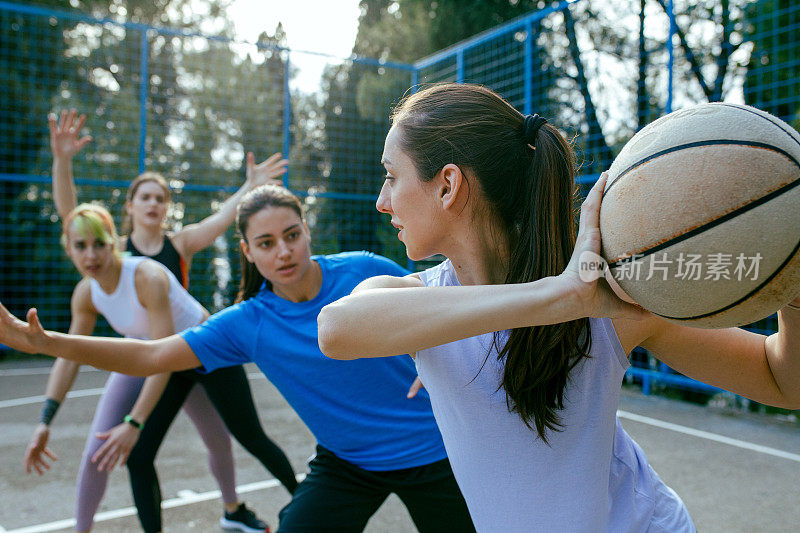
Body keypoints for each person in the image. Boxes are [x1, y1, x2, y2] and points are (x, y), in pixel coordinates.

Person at [315, 83, 800, 532]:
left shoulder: (608, 296)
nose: (382, 201)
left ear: (447, 185)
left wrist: (793, 286)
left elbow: (781, 380)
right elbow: (336, 329)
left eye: (391, 176)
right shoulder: (430, 303)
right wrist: (560, 297)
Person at [0, 184, 476, 533]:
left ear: (306, 233)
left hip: (435, 454)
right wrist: (49, 342)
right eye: (266, 244)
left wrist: (433, 362)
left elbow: (446, 314)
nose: (284, 252)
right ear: (249, 252)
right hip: (348, 464)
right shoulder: (248, 322)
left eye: (292, 235)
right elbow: (153, 355)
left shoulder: (366, 271)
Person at [29, 110, 297, 533]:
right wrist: (62, 161)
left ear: (167, 208)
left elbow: (220, 220)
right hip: (158, 354)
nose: (154, 203)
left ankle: (281, 509)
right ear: (129, 207)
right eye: (145, 196)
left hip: (199, 348)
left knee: (240, 437)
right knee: (132, 449)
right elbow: (72, 219)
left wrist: (249, 187)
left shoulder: (175, 247)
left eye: (161, 197)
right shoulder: (108, 254)